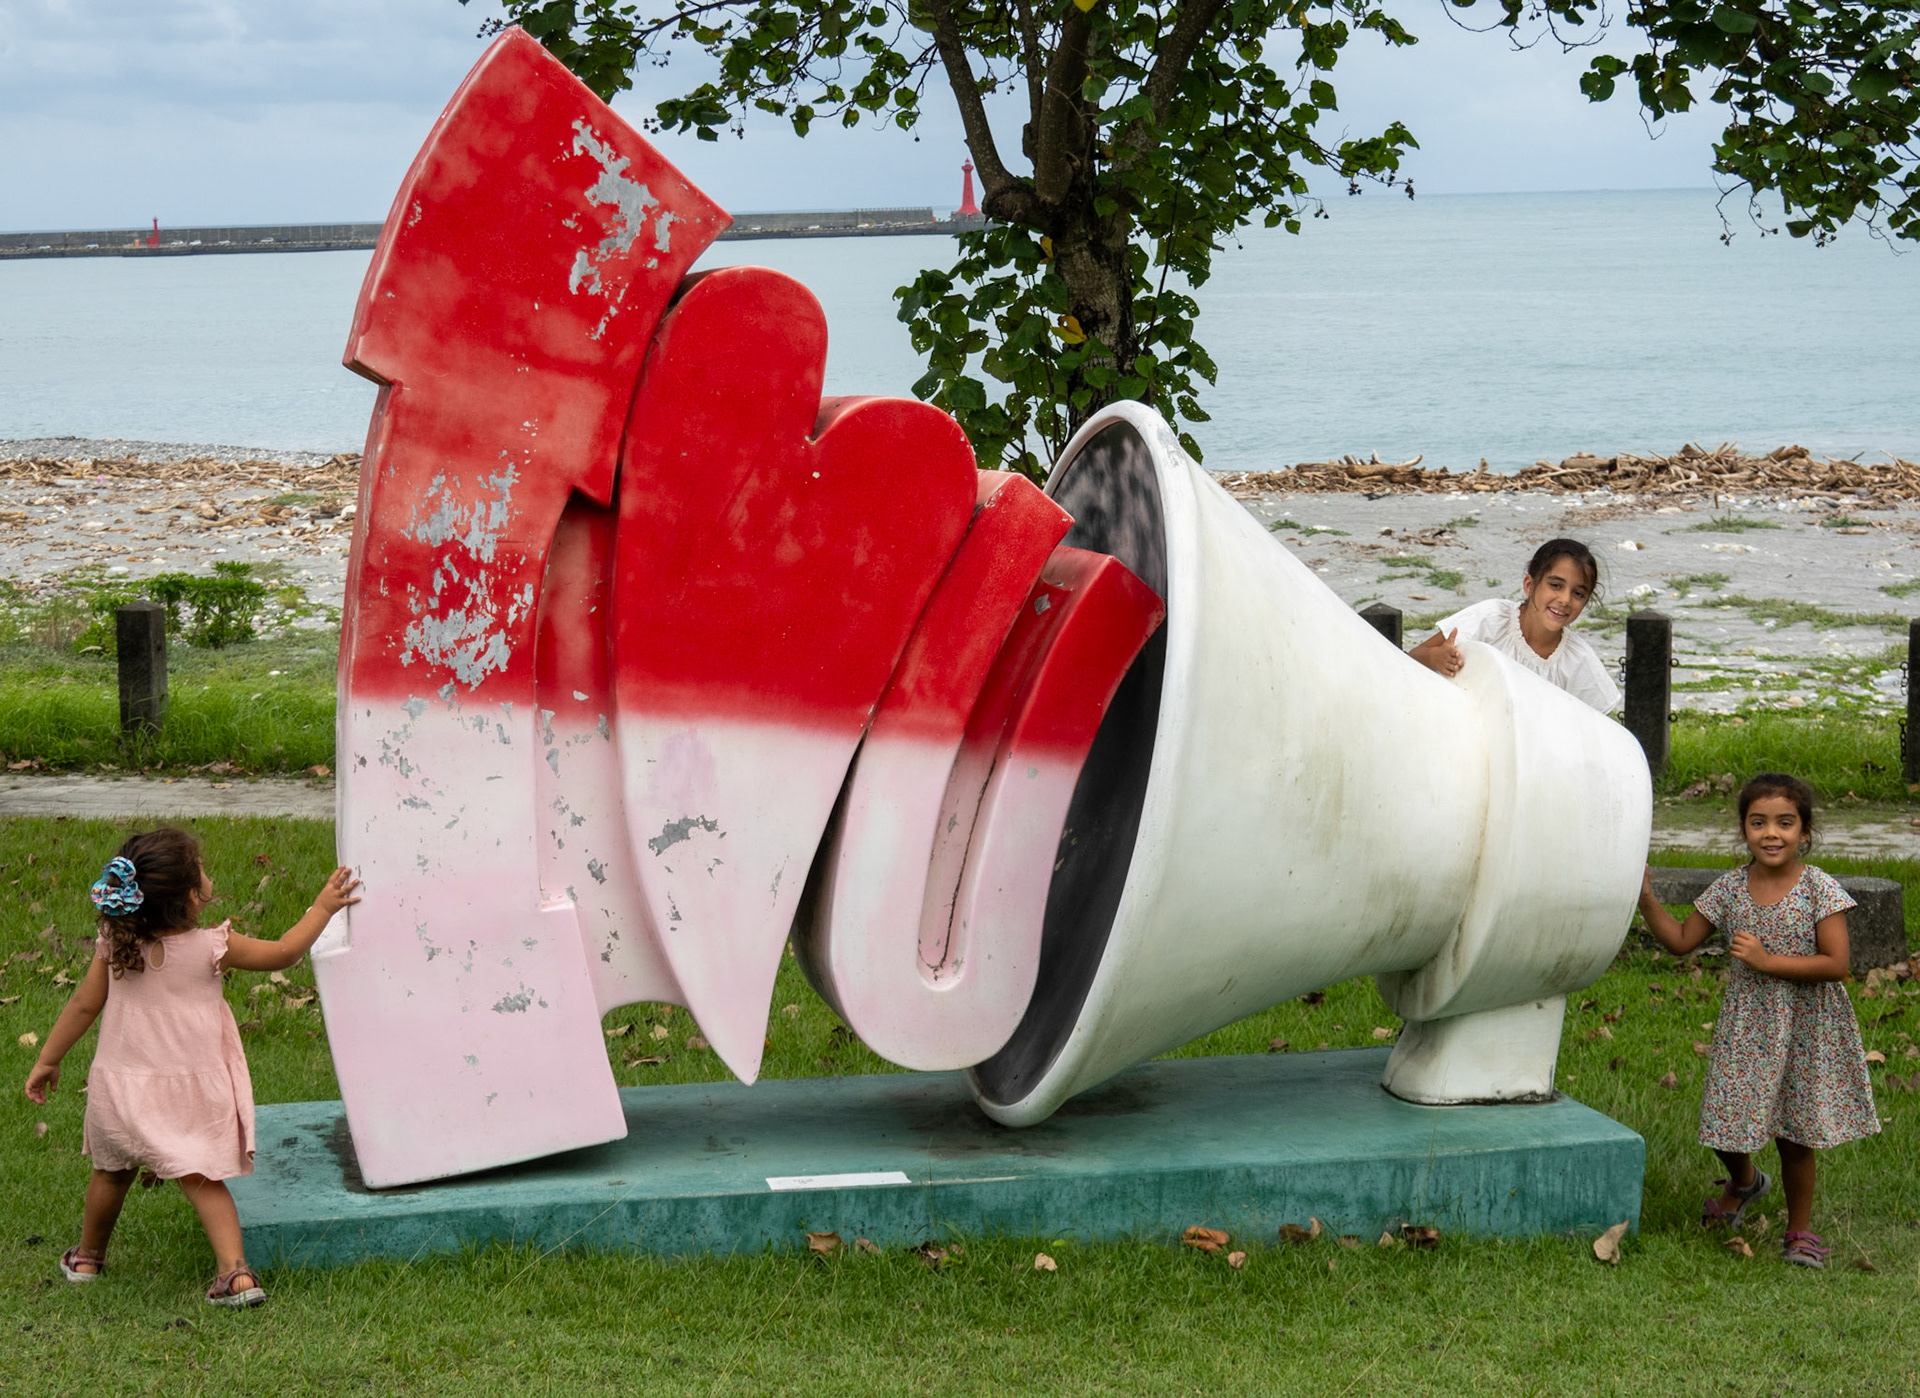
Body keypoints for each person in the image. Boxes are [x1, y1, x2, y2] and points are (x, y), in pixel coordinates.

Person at [23, 827, 359, 1306]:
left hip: (122, 1088)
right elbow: (285, 951)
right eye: (201, 868)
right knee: (202, 1178)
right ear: (190, 896)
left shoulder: (115, 941)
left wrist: (47, 1059)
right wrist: (323, 908)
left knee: (110, 1172)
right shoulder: (212, 947)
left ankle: (87, 1258)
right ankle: (236, 1276)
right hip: (190, 1092)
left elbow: (82, 1005)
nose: (208, 873)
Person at [1633, 774, 1878, 1268]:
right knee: (1727, 1119)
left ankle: (1800, 1232)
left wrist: (1768, 961)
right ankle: (1745, 1183)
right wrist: (1644, 898)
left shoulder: (1818, 888)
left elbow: (1837, 964)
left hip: (1808, 1028)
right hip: (1749, 1026)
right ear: (1744, 830)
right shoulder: (1729, 888)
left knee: (1794, 1133)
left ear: (1804, 831)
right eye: (1759, 822)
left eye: (1785, 823)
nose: (1772, 833)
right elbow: (1682, 940)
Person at [1409, 538, 1620, 712]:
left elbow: (1595, 729)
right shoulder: (1489, 619)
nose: (1565, 599)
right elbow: (1413, 656)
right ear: (1530, 585)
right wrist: (1435, 658)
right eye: (1555, 585)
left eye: (1578, 593)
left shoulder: (1578, 660)